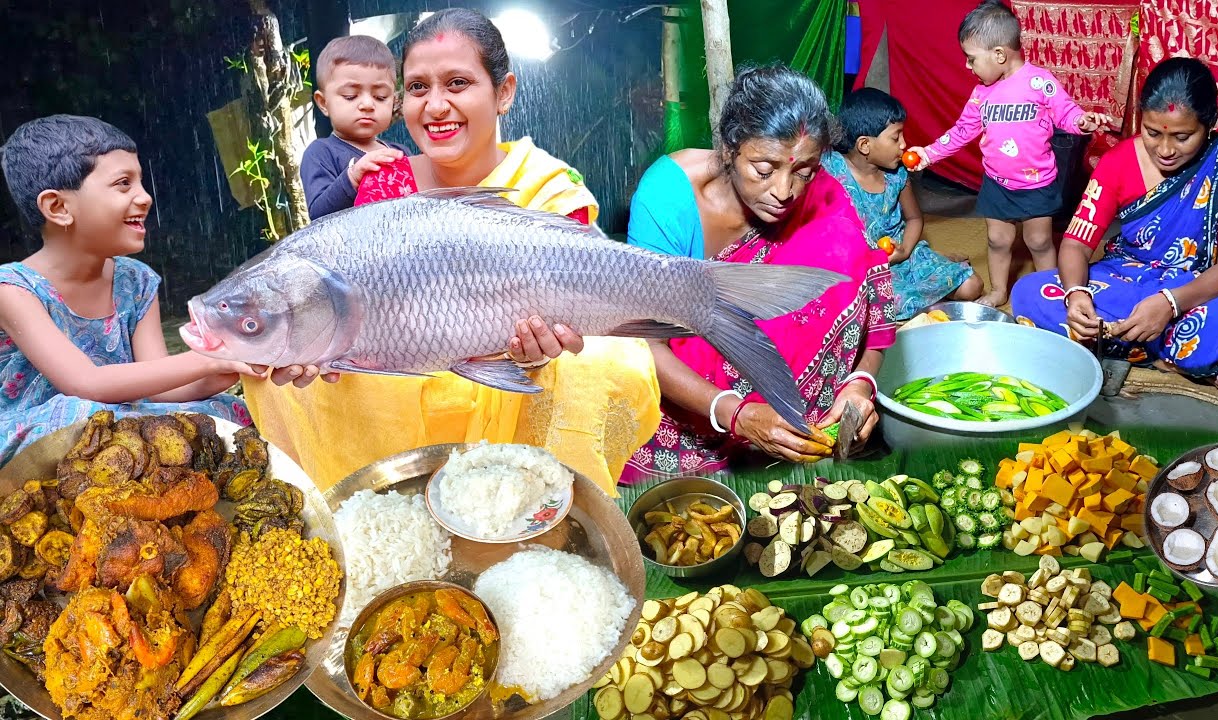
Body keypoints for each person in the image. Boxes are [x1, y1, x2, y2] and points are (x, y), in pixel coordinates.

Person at [243, 8, 660, 494]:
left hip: (512, 387)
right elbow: (363, 319)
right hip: (403, 377)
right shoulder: (384, 182)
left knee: (611, 364)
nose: (435, 106)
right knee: (281, 372)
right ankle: (387, 494)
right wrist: (314, 344)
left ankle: (533, 499)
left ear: (503, 92)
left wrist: (533, 354)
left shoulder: (548, 186)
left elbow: (574, 308)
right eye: (418, 88)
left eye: (457, 83)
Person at [623, 65, 895, 480]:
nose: (784, 192)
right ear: (730, 148)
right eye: (764, 170)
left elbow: (867, 301)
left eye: (802, 172)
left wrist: (860, 384)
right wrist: (737, 415)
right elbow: (644, 342)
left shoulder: (823, 194)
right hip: (696, 405)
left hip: (806, 417)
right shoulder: (669, 198)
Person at [0, 115, 259, 463]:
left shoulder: (135, 281)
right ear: (58, 207)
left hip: (125, 414)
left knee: (223, 411)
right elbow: (85, 383)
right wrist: (202, 360)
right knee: (81, 416)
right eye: (124, 184)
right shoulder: (13, 289)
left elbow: (163, 383)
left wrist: (232, 361)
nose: (145, 197)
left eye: (140, 182)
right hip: (49, 428)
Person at [1011, 58, 1218, 391]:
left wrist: (1170, 303)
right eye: (1152, 133)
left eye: (1182, 137)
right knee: (1028, 292)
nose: (1165, 150)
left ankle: (1119, 345)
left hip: (1197, 289)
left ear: (1211, 125)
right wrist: (1077, 295)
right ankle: (1171, 358)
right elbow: (1076, 243)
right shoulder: (1118, 161)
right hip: (1127, 277)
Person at [906, 0, 1112, 308]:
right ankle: (999, 290)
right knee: (997, 240)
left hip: (1037, 182)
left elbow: (1067, 114)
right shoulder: (981, 95)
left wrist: (1082, 121)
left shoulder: (1040, 83)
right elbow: (961, 131)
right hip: (997, 183)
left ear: (1000, 54)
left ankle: (1052, 294)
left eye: (971, 58)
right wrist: (929, 154)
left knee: (1039, 241)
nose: (967, 66)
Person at [823, 87, 983, 320]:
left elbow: (915, 218)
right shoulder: (831, 170)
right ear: (864, 145)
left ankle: (925, 293)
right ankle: (926, 302)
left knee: (972, 286)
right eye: (895, 137)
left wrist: (906, 250)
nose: (904, 144)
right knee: (867, 306)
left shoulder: (897, 174)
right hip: (859, 266)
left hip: (903, 256)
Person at [300, 35, 412, 219]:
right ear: (323, 103)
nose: (367, 104)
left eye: (381, 97)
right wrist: (352, 178)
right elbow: (319, 215)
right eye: (351, 95)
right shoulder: (321, 153)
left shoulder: (401, 153)